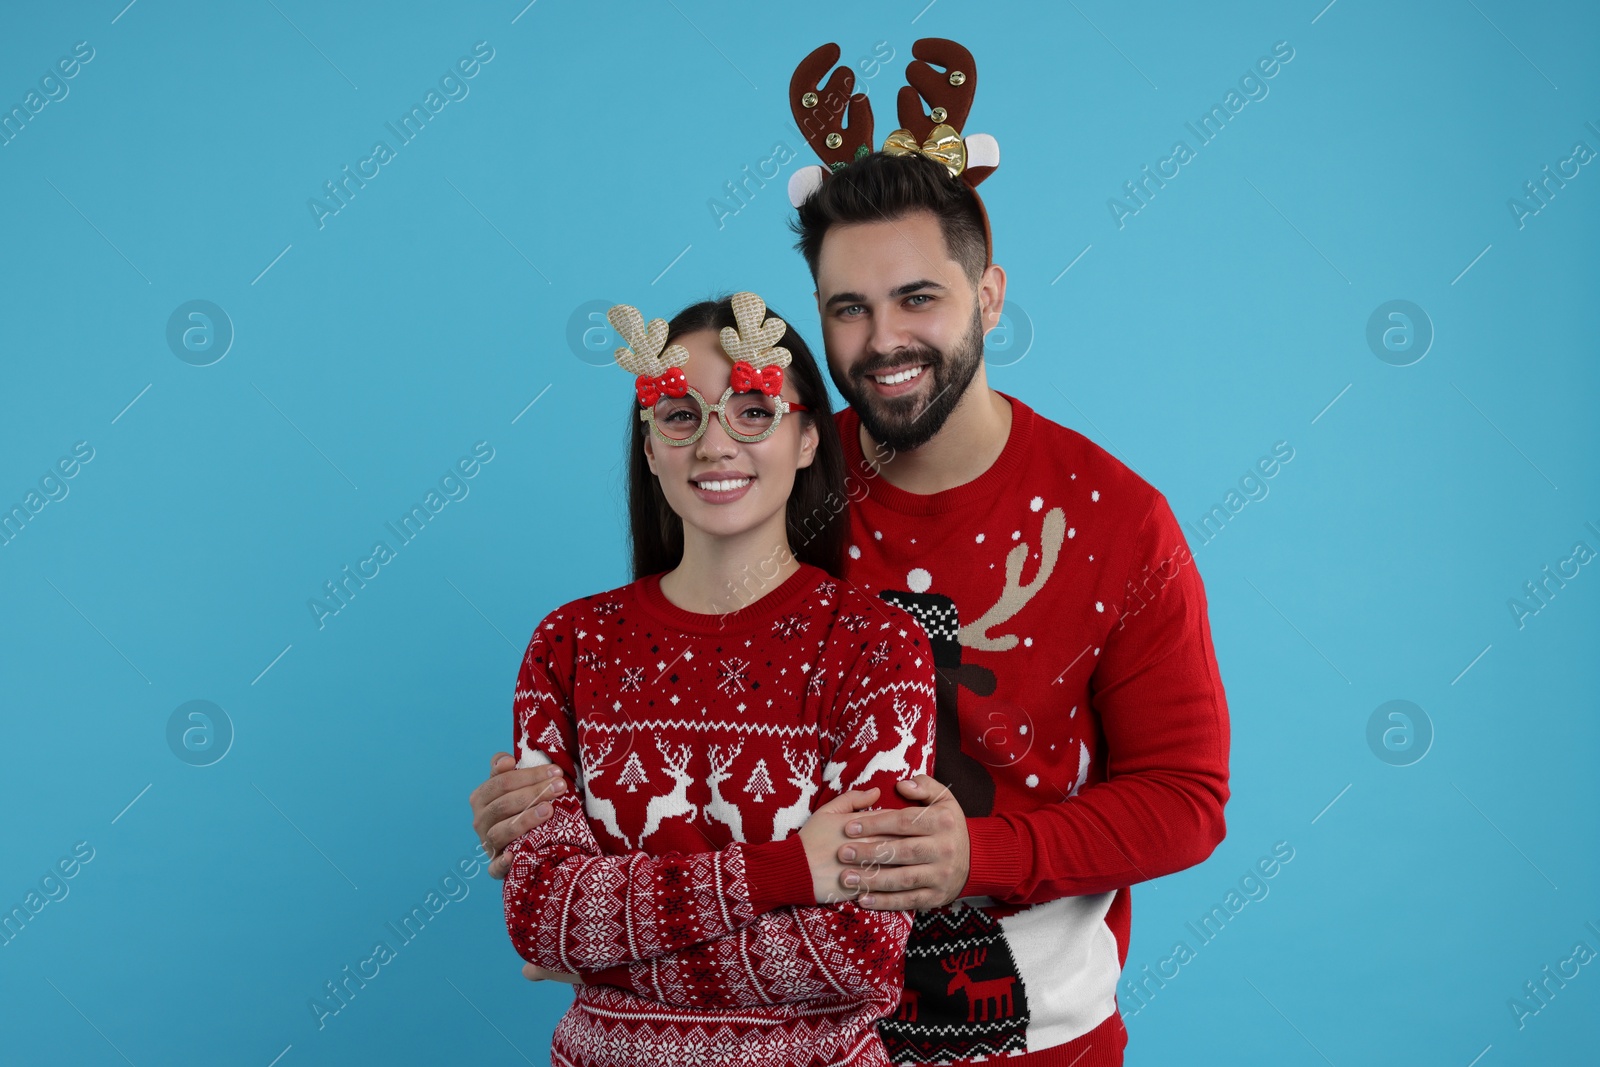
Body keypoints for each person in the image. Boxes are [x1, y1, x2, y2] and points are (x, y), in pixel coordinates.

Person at [474, 38, 1231, 1067]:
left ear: (990, 295)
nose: (883, 339)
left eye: (919, 297)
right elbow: (664, 711)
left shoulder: (1115, 517)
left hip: (1025, 1037)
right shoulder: (763, 474)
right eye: (847, 307)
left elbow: (1185, 797)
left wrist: (983, 850)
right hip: (775, 1038)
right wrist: (555, 809)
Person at [499, 291, 938, 1067]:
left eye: (751, 411)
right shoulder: (569, 646)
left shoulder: (879, 651)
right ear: (648, 444)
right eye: (679, 415)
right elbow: (541, 917)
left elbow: (859, 949)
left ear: (806, 438)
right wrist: (786, 869)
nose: (714, 444)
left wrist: (611, 953)